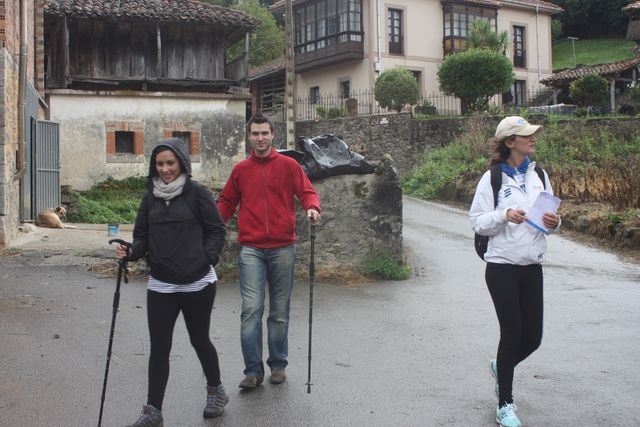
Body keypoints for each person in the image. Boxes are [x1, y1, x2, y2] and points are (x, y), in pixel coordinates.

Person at [116, 138, 227, 427]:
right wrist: (130, 252)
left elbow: (216, 230)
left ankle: (216, 390)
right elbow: (141, 237)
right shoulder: (150, 198)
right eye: (160, 164)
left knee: (199, 339)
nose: (165, 169)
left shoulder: (197, 194)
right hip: (162, 283)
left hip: (197, 282)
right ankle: (153, 410)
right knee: (159, 347)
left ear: (182, 163)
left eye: (170, 163)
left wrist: (207, 258)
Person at [217, 112, 321, 389]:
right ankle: (252, 370)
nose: (260, 138)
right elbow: (227, 201)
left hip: (282, 247)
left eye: (265, 133)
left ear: (273, 134)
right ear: (249, 137)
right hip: (251, 248)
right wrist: (212, 223)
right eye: (255, 133)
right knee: (251, 309)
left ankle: (277, 364)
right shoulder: (240, 170)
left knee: (279, 311)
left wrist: (312, 207)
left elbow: (307, 192)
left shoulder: (288, 165)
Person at [469, 116, 561, 427]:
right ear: (510, 142)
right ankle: (504, 404)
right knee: (512, 333)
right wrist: (504, 215)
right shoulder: (492, 178)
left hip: (532, 265)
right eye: (526, 135)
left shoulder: (540, 175)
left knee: (533, 337)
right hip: (502, 267)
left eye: (533, 134)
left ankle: (500, 365)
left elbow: (551, 217)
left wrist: (554, 223)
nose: (533, 139)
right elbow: (477, 221)